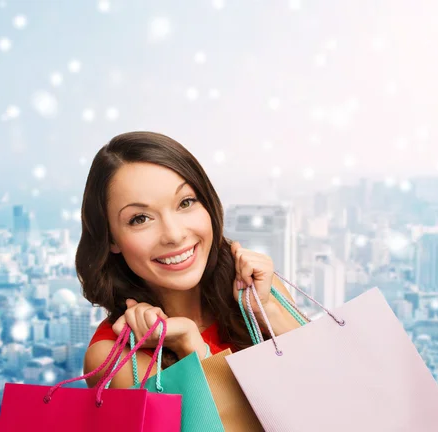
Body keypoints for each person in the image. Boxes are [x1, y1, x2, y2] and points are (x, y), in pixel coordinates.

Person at [78, 131, 302, 389]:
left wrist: (268, 311)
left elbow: (333, 380)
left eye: (185, 202)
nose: (174, 234)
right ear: (111, 239)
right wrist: (192, 347)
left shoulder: (262, 293)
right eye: (140, 218)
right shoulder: (115, 357)